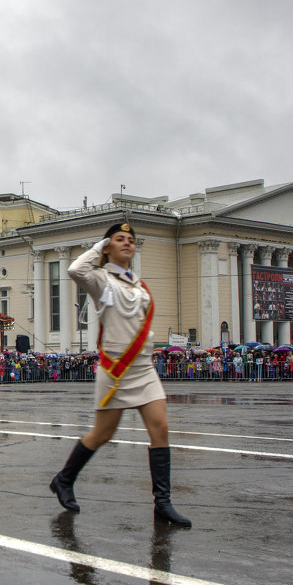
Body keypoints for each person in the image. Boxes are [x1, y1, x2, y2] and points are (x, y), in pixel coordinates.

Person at [49, 222, 191, 526]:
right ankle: (64, 479)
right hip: (115, 368)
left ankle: (162, 504)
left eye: (131, 240)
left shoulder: (137, 284)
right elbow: (75, 270)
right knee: (103, 434)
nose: (127, 243)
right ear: (108, 246)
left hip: (142, 366)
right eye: (119, 239)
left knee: (161, 429)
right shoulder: (100, 280)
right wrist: (99, 248)